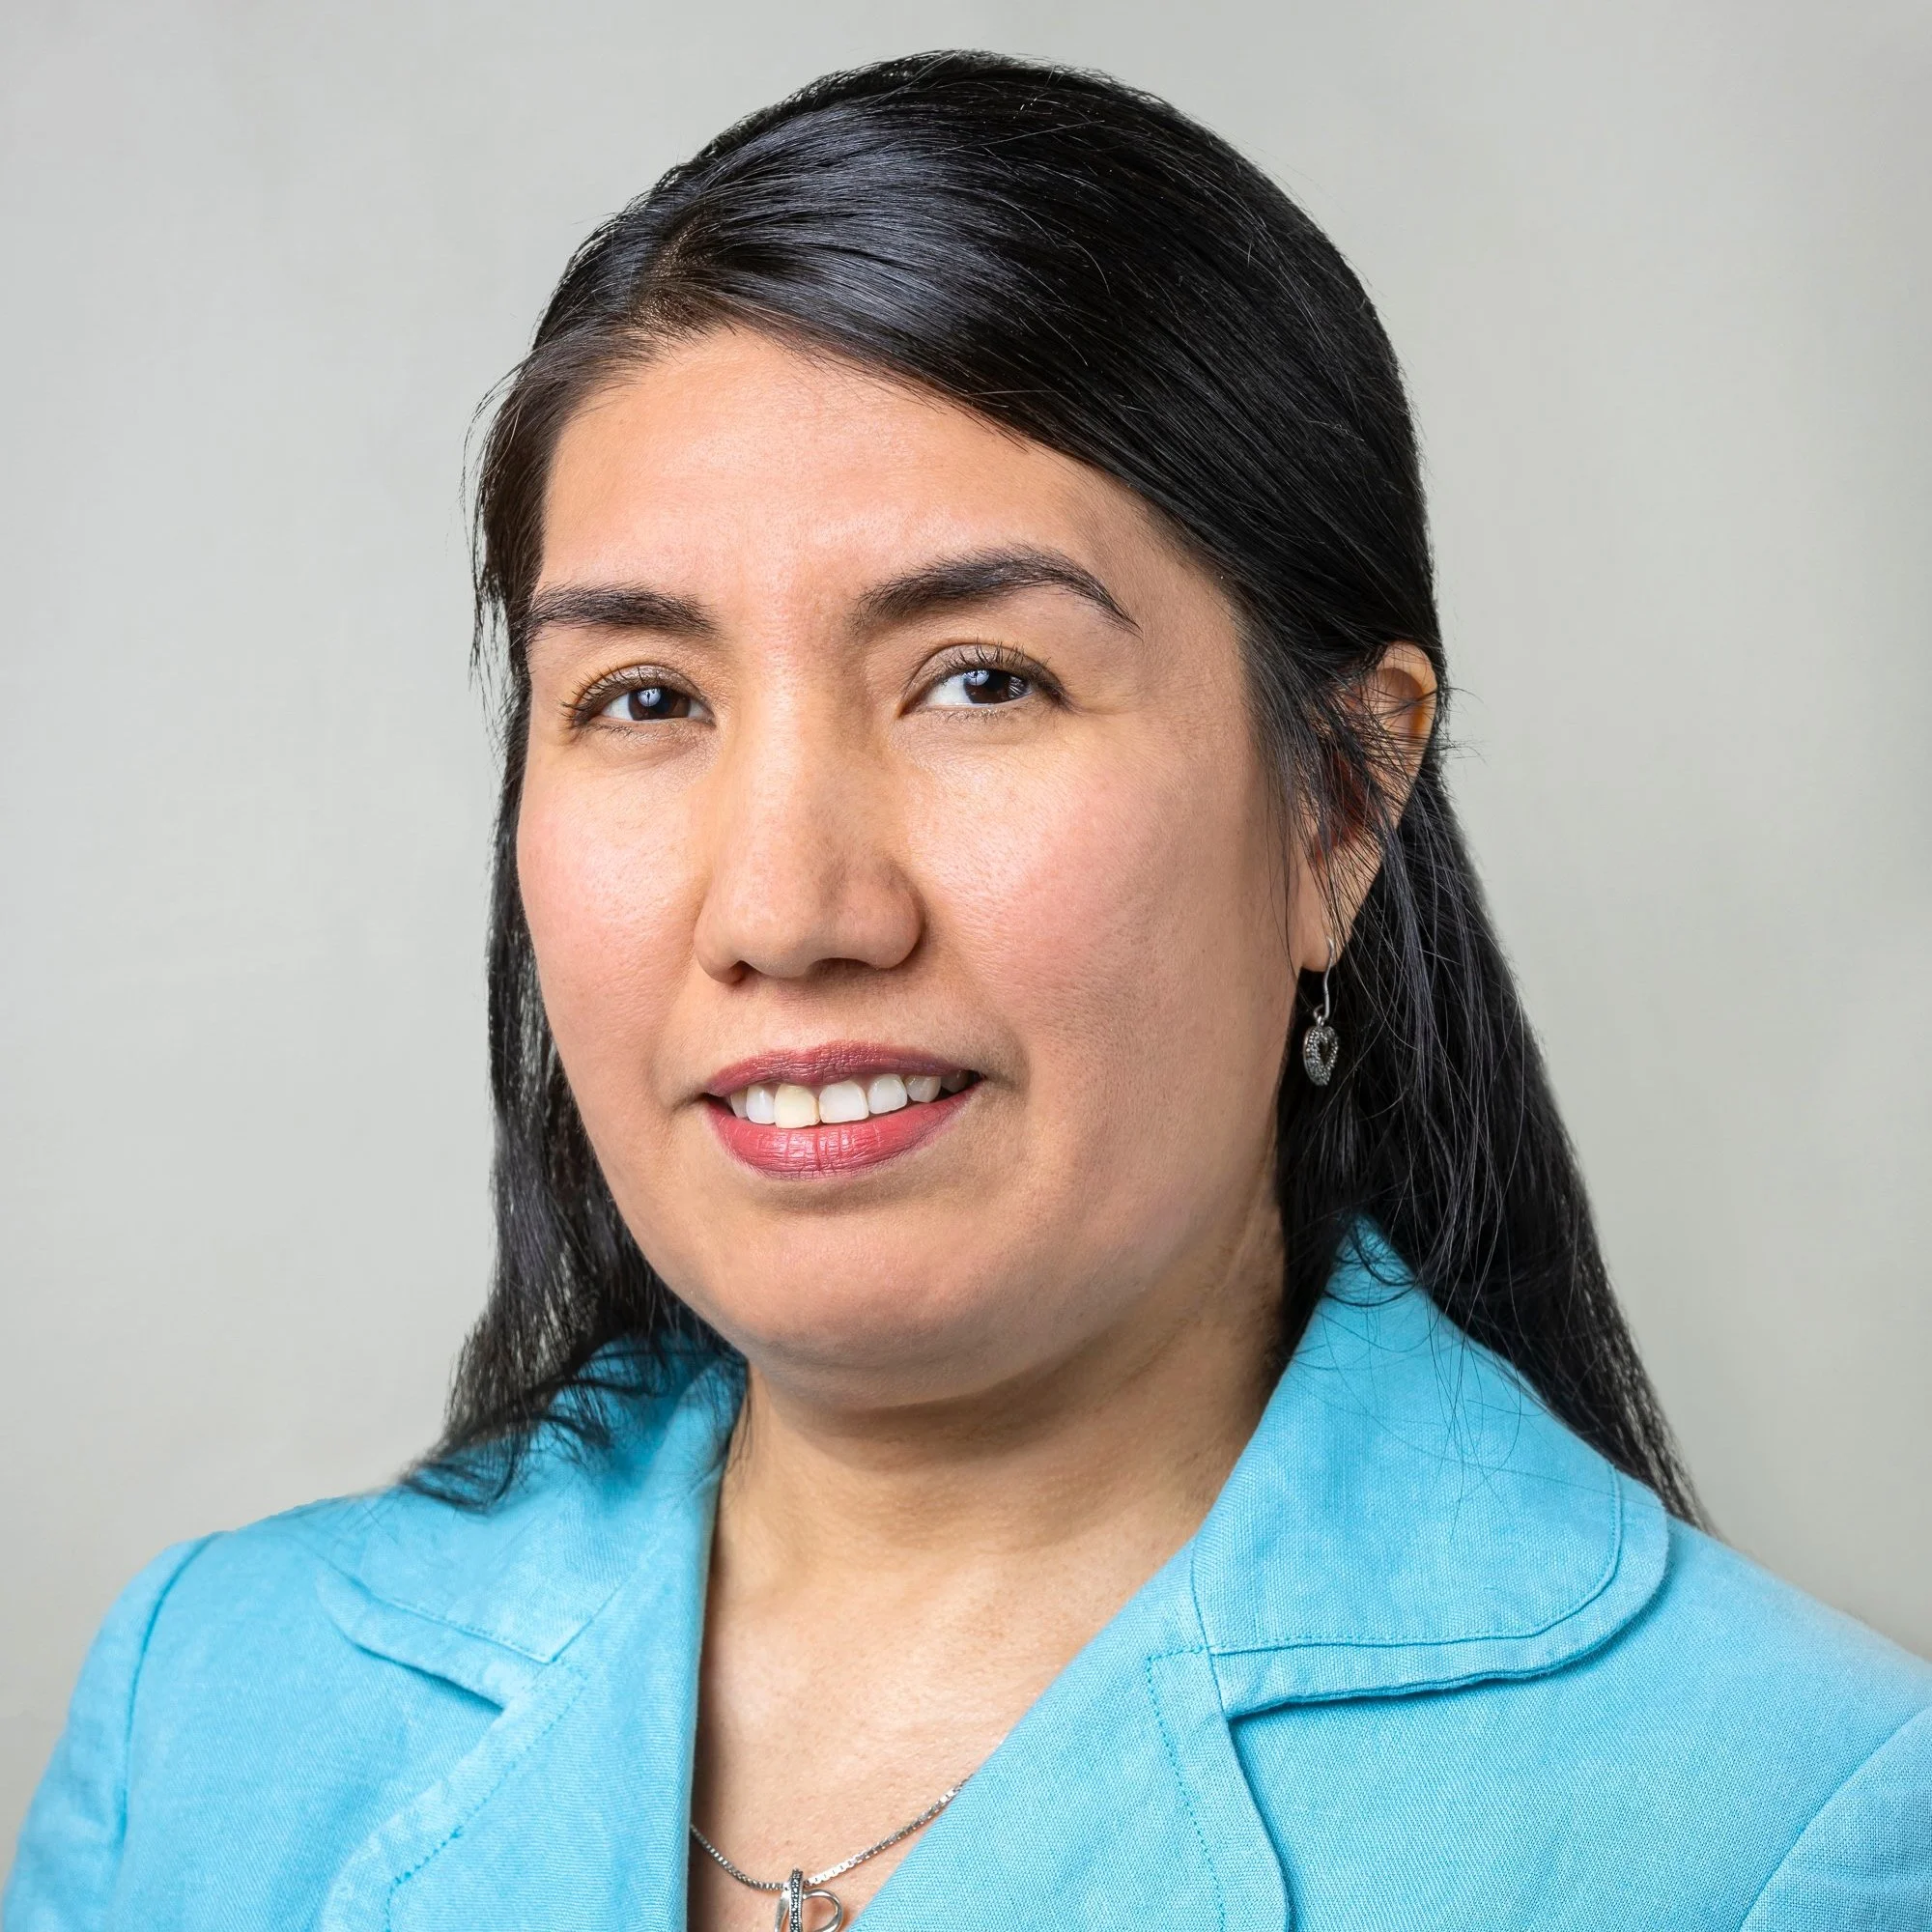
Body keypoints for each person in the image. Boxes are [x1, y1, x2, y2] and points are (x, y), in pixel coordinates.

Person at [9, 50, 1929, 1932]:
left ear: (1341, 802)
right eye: (645, 698)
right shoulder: (209, 1709)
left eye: (982, 681)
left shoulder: (1786, 1830)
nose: (786, 910)